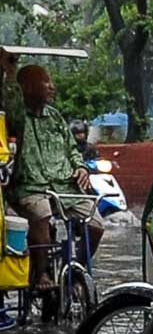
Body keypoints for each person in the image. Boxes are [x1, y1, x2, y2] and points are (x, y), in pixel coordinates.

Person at [4, 63, 103, 290]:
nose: (52, 87)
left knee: (96, 225)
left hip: (64, 187)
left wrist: (81, 168)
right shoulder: (18, 117)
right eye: (46, 81)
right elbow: (10, 103)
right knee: (41, 216)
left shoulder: (55, 117)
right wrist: (9, 72)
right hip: (30, 187)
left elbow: (72, 150)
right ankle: (41, 274)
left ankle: (75, 269)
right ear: (27, 87)